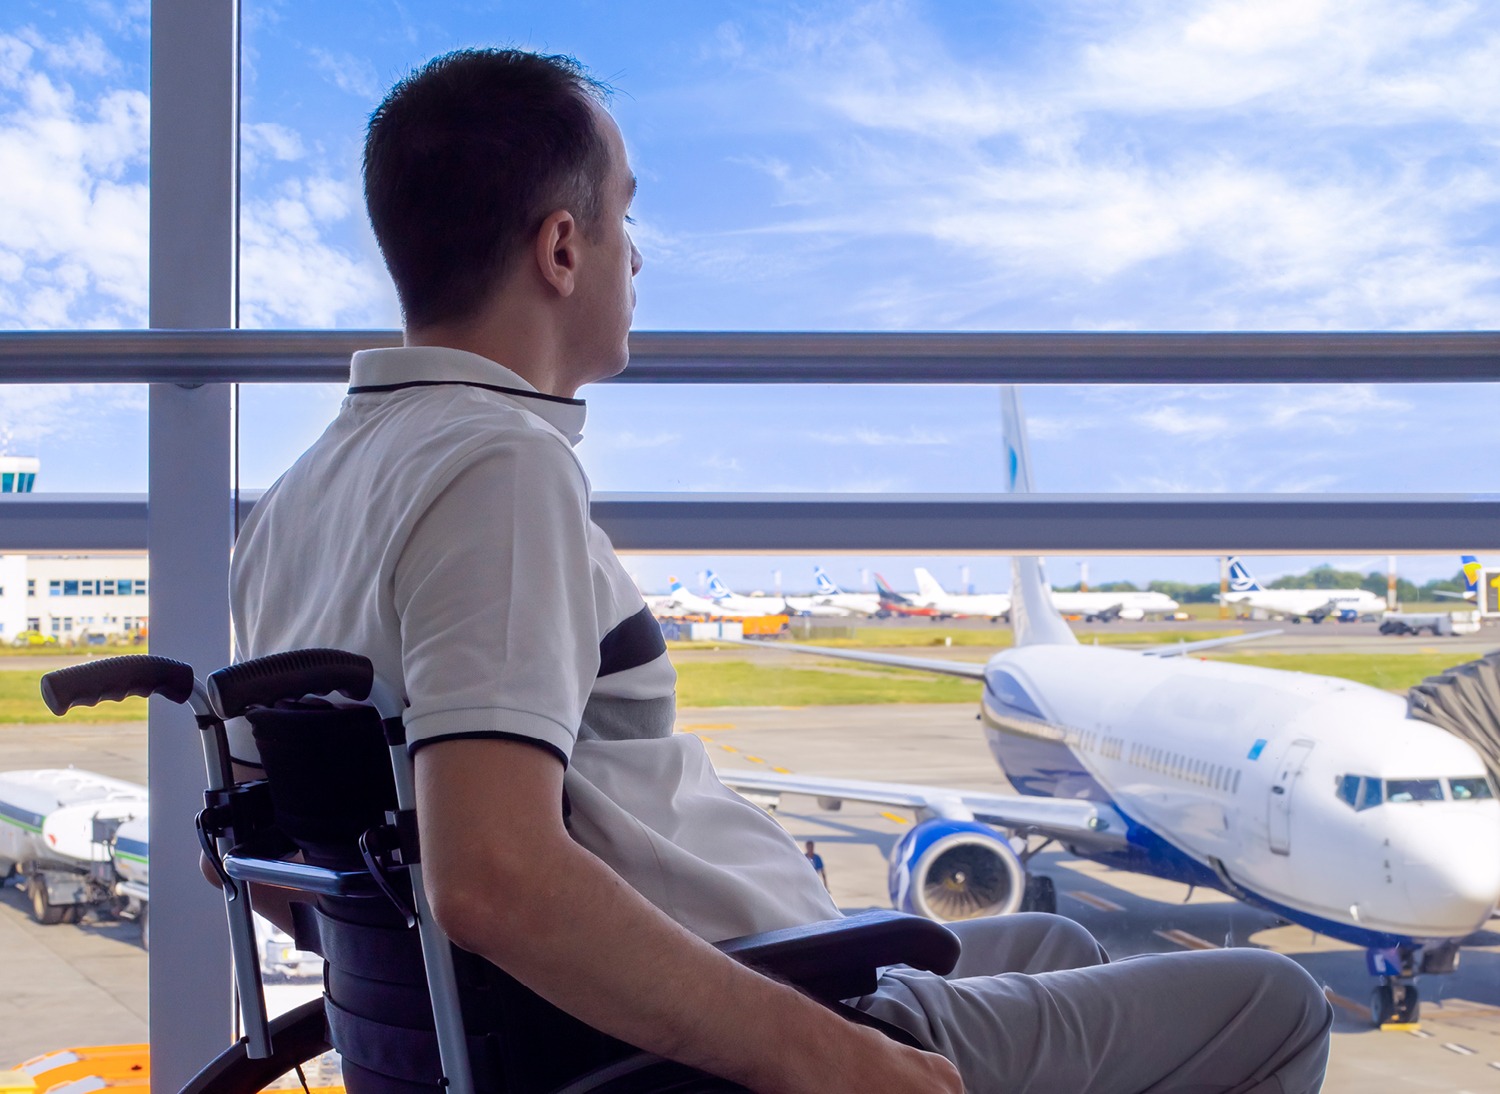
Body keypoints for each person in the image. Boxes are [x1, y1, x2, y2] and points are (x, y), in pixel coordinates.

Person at [228, 48, 1332, 1094]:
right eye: (627, 213)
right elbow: (495, 875)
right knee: (1277, 1002)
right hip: (706, 1027)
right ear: (563, 248)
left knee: (1054, 940)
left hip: (599, 1011)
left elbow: (282, 864)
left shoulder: (294, 504)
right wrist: (826, 1056)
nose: (639, 253)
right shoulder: (497, 465)